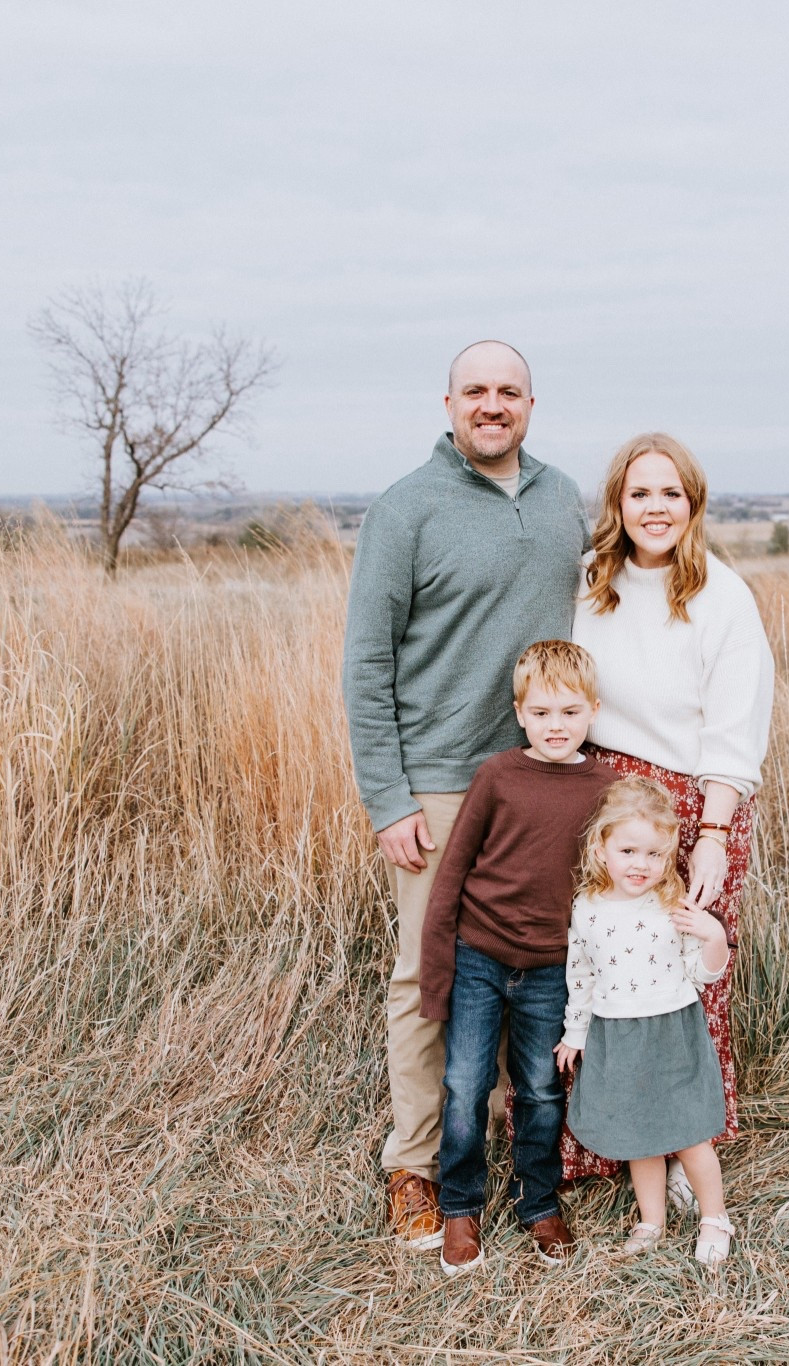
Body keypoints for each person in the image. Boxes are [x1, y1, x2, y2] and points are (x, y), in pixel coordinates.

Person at [342, 341, 590, 1251]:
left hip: (541, 783)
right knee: (429, 976)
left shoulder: (565, 497)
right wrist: (388, 797)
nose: (493, 405)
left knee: (529, 970)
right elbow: (366, 664)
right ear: (448, 401)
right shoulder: (407, 510)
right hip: (441, 784)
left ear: (532, 403)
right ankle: (412, 1168)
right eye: (477, 391)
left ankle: (512, 1159)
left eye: (510, 392)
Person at [565, 432, 774, 1204]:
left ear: (694, 504)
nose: (656, 508)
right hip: (602, 795)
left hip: (695, 800)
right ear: (618, 503)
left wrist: (714, 832)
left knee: (688, 975)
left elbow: (734, 724)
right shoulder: (590, 582)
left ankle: (691, 1150)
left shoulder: (721, 594)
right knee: (607, 959)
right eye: (640, 493)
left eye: (671, 494)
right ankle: (598, 1142)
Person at [417, 640, 620, 1275]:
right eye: (539, 713)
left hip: (552, 967)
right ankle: (459, 1205)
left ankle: (539, 1203)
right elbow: (451, 874)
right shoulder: (498, 776)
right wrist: (437, 974)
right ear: (518, 712)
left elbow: (611, 883)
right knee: (465, 1084)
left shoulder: (606, 786)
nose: (554, 726)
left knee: (537, 1088)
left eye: (567, 712)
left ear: (593, 710)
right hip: (479, 954)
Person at [554, 778, 736, 1264]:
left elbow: (702, 974)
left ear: (669, 854)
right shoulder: (587, 909)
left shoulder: (672, 904)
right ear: (602, 847)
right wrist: (575, 1033)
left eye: (654, 854)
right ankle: (650, 1219)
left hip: (672, 1031)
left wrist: (713, 936)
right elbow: (582, 975)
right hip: (617, 1035)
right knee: (639, 1136)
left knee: (690, 1132)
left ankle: (714, 1218)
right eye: (629, 850)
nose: (641, 864)